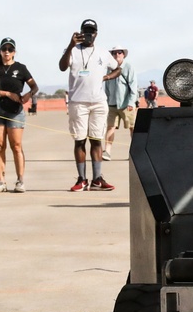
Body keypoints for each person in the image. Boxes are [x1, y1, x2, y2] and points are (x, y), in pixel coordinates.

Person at [59, 19, 121, 191]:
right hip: (78, 102)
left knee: (96, 141)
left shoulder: (102, 52)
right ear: (80, 32)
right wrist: (71, 46)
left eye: (91, 31)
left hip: (98, 102)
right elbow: (62, 67)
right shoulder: (72, 51)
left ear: (96, 34)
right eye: (85, 31)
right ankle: (81, 179)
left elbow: (118, 68)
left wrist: (107, 77)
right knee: (79, 140)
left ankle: (97, 179)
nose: (88, 34)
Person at [0, 37, 37, 193]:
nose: (7, 52)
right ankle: (1, 180)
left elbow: (34, 85)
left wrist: (28, 95)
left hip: (15, 111)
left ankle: (20, 180)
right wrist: (6, 93)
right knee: (0, 146)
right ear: (0, 51)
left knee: (16, 146)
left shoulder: (21, 68)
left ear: (14, 52)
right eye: (4, 49)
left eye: (10, 49)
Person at [103, 46, 138, 160]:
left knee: (132, 128)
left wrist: (132, 102)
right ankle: (107, 151)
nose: (117, 54)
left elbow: (133, 85)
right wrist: (106, 102)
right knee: (110, 127)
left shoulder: (128, 67)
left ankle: (135, 153)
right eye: (114, 53)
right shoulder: (109, 68)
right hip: (112, 104)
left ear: (123, 54)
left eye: (119, 52)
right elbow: (107, 86)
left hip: (126, 104)